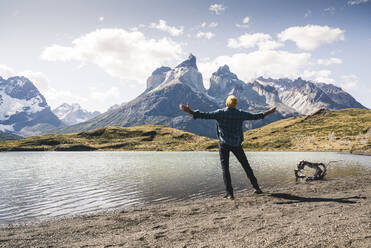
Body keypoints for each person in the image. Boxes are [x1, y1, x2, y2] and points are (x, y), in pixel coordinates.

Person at [179, 95, 276, 200]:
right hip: (236, 144)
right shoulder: (240, 114)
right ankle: (257, 188)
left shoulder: (220, 113)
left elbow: (204, 115)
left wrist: (190, 111)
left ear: (227, 103)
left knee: (225, 169)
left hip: (224, 144)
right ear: (235, 104)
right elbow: (255, 116)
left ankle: (230, 194)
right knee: (246, 166)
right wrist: (268, 112)